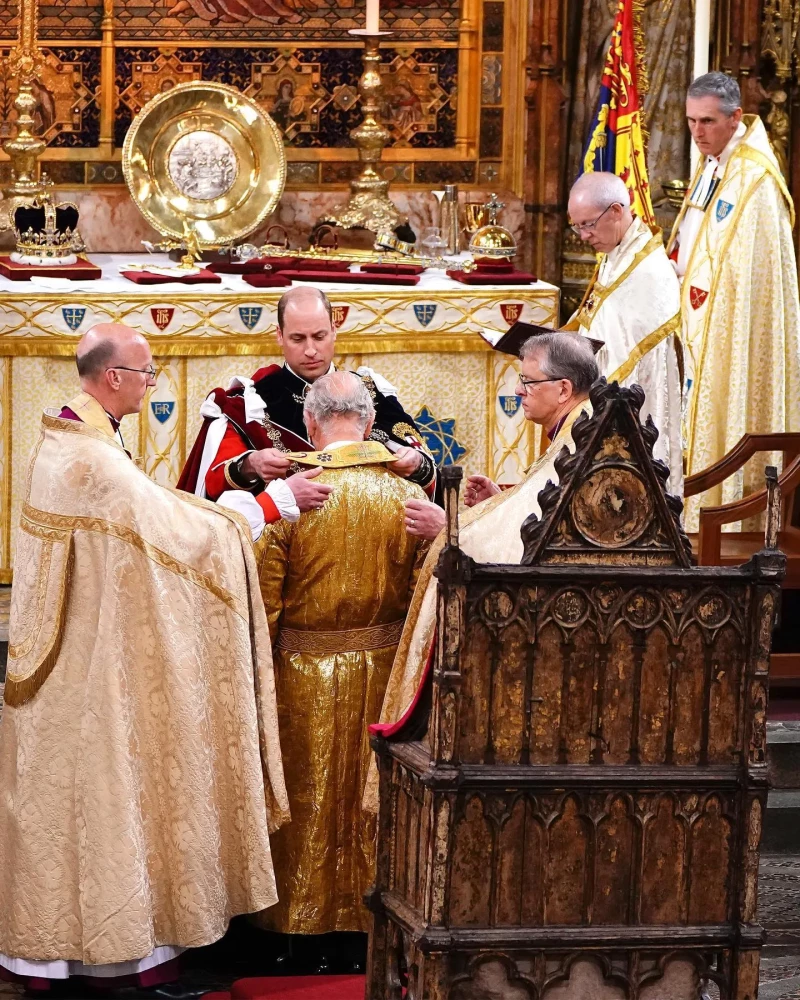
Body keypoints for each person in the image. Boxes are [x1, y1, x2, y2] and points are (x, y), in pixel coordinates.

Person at [0, 324, 289, 1000]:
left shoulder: (78, 435)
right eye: (146, 373)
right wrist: (266, 507)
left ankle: (79, 958)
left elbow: (147, 513)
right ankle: (102, 960)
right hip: (87, 668)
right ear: (111, 378)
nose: (153, 384)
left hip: (73, 655)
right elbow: (177, 535)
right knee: (107, 797)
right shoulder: (90, 460)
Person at [253, 372, 429, 971]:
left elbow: (263, 604)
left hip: (300, 668)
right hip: (385, 671)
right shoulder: (409, 499)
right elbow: (423, 592)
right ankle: (365, 931)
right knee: (365, 798)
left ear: (309, 423)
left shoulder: (293, 501)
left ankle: (298, 936)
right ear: (371, 422)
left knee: (306, 795)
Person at [376, 334, 598, 799]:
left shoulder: (583, 432)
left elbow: (527, 539)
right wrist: (500, 502)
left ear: (561, 389)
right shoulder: (578, 425)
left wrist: (450, 528)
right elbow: (542, 511)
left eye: (527, 381)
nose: (519, 391)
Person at [666, 71, 800, 529]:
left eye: (707, 121)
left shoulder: (756, 181)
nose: (697, 133)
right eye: (690, 121)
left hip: (727, 331)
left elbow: (750, 280)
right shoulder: (714, 163)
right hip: (696, 322)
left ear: (735, 118)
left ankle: (724, 521)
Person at [178, 286, 436, 508]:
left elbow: (425, 466)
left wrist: (415, 464)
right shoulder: (250, 404)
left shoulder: (372, 390)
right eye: (298, 339)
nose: (311, 350)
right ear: (279, 335)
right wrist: (251, 465)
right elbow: (215, 482)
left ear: (334, 330)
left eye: (319, 336)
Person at [564, 171, 683, 497]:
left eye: (588, 224)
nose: (583, 236)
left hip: (629, 412)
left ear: (616, 211)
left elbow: (626, 362)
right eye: (577, 226)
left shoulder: (648, 272)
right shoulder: (618, 253)